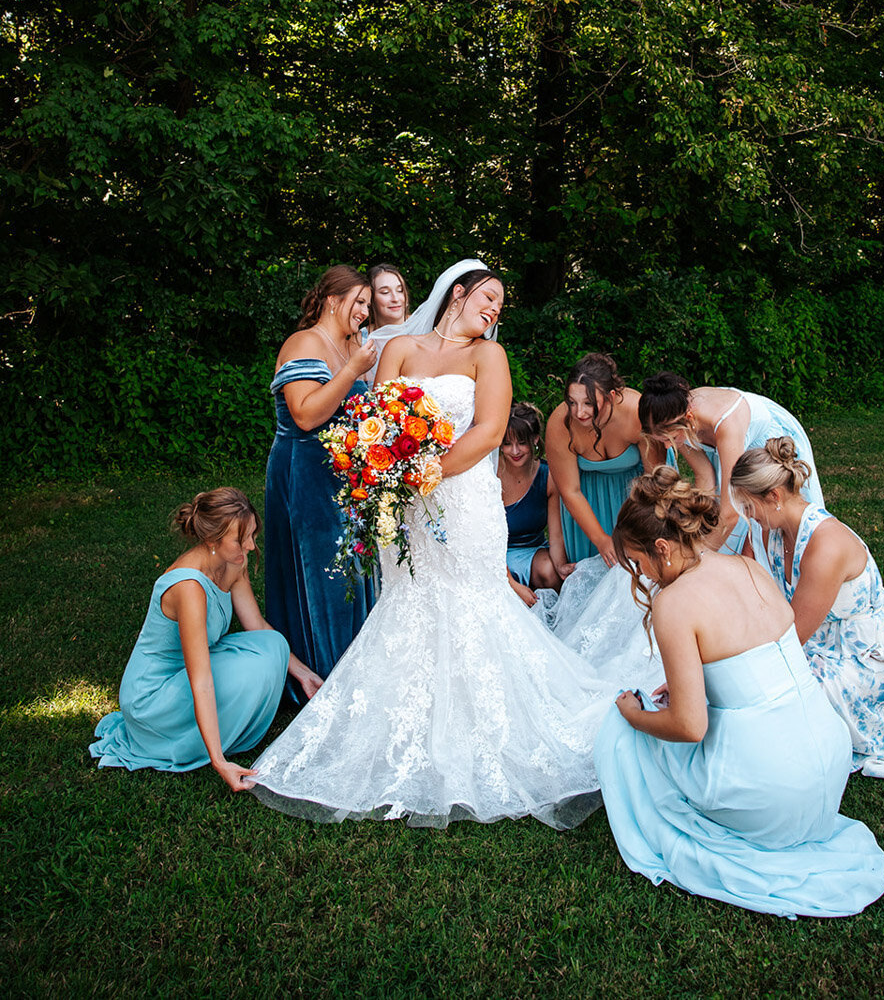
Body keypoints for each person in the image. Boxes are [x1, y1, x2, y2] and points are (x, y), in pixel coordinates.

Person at [251, 260, 618, 829]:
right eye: (489, 296)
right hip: (408, 507)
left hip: (464, 498)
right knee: (410, 602)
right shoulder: (400, 348)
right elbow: (377, 418)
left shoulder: (487, 357)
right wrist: (392, 473)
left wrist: (426, 473)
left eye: (501, 305)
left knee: (471, 602)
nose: (494, 309)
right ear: (460, 292)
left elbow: (490, 432)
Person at [593, 468, 884, 917]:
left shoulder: (672, 603)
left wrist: (634, 714)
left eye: (638, 562)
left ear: (661, 547)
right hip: (828, 767)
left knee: (618, 732)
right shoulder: (746, 565)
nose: (640, 574)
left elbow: (691, 727)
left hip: (771, 789)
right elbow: (750, 661)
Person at [731, 438, 884, 779]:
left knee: (766, 700)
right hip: (818, 639)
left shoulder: (825, 545)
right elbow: (743, 580)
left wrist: (731, 659)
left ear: (773, 497)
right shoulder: (771, 528)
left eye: (747, 506)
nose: (746, 516)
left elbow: (793, 637)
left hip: (860, 655)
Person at [90, 488, 321, 789]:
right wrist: (218, 760)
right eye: (241, 539)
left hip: (187, 671)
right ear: (212, 540)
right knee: (248, 671)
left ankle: (221, 727)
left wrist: (304, 675)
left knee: (274, 645)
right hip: (154, 695)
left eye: (252, 535)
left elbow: (258, 626)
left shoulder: (234, 562)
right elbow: (201, 680)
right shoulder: (189, 587)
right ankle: (201, 740)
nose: (251, 546)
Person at [265, 265, 378, 699]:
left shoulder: (350, 345)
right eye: (360, 302)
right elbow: (306, 414)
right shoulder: (304, 343)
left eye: (368, 304)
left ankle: (353, 668)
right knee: (319, 573)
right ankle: (320, 674)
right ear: (333, 299)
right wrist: (352, 371)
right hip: (304, 474)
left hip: (342, 478)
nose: (365, 312)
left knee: (349, 568)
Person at [639, 371, 825, 558]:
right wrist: (702, 526)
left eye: (669, 438)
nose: (667, 446)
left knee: (767, 513)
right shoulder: (676, 417)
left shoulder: (725, 422)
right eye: (661, 440)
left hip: (766, 446)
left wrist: (697, 557)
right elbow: (705, 476)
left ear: (688, 418)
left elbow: (732, 511)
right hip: (729, 449)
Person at [545, 354, 647, 566]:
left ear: (610, 396)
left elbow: (655, 477)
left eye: (588, 403)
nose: (579, 412)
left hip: (637, 497)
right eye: (572, 402)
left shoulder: (636, 411)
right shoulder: (560, 424)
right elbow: (570, 491)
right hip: (589, 502)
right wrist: (600, 539)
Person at [500, 401, 574, 607]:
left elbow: (556, 533)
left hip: (531, 550)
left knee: (549, 571)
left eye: (521, 442)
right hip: (493, 553)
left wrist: (560, 567)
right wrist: (511, 583)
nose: (514, 451)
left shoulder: (548, 476)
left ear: (535, 439)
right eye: (507, 443)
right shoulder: (491, 474)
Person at [367, 262, 410, 331]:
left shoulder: (426, 327)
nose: (395, 299)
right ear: (371, 298)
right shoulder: (360, 340)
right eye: (385, 292)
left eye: (400, 290)